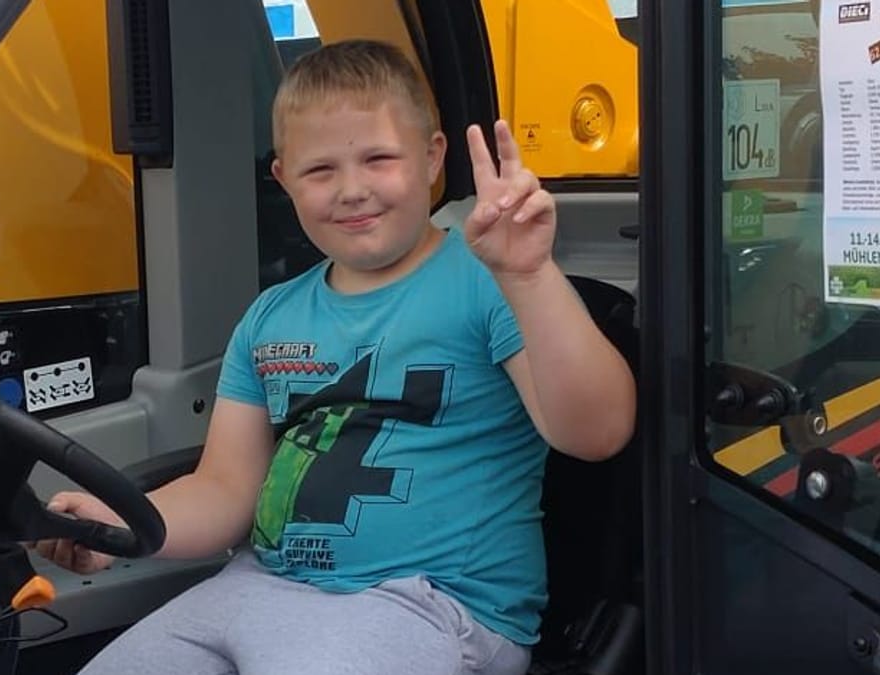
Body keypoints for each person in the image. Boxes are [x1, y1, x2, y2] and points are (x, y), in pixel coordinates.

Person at [33, 39, 636, 675]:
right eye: (320, 171)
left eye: (379, 158)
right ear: (283, 179)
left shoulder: (493, 282)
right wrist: (120, 525)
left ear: (433, 158)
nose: (351, 190)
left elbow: (598, 433)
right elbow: (223, 490)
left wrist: (530, 275)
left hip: (428, 604)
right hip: (259, 586)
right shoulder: (269, 317)